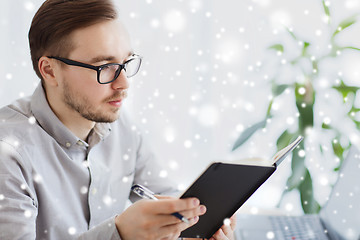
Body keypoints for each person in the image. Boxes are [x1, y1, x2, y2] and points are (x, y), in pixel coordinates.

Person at [0, 0, 236, 239]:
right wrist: (119, 233)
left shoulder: (119, 127)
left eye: (126, 63)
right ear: (49, 71)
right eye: (105, 66)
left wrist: (196, 223)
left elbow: (167, 197)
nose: (123, 84)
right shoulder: (8, 153)